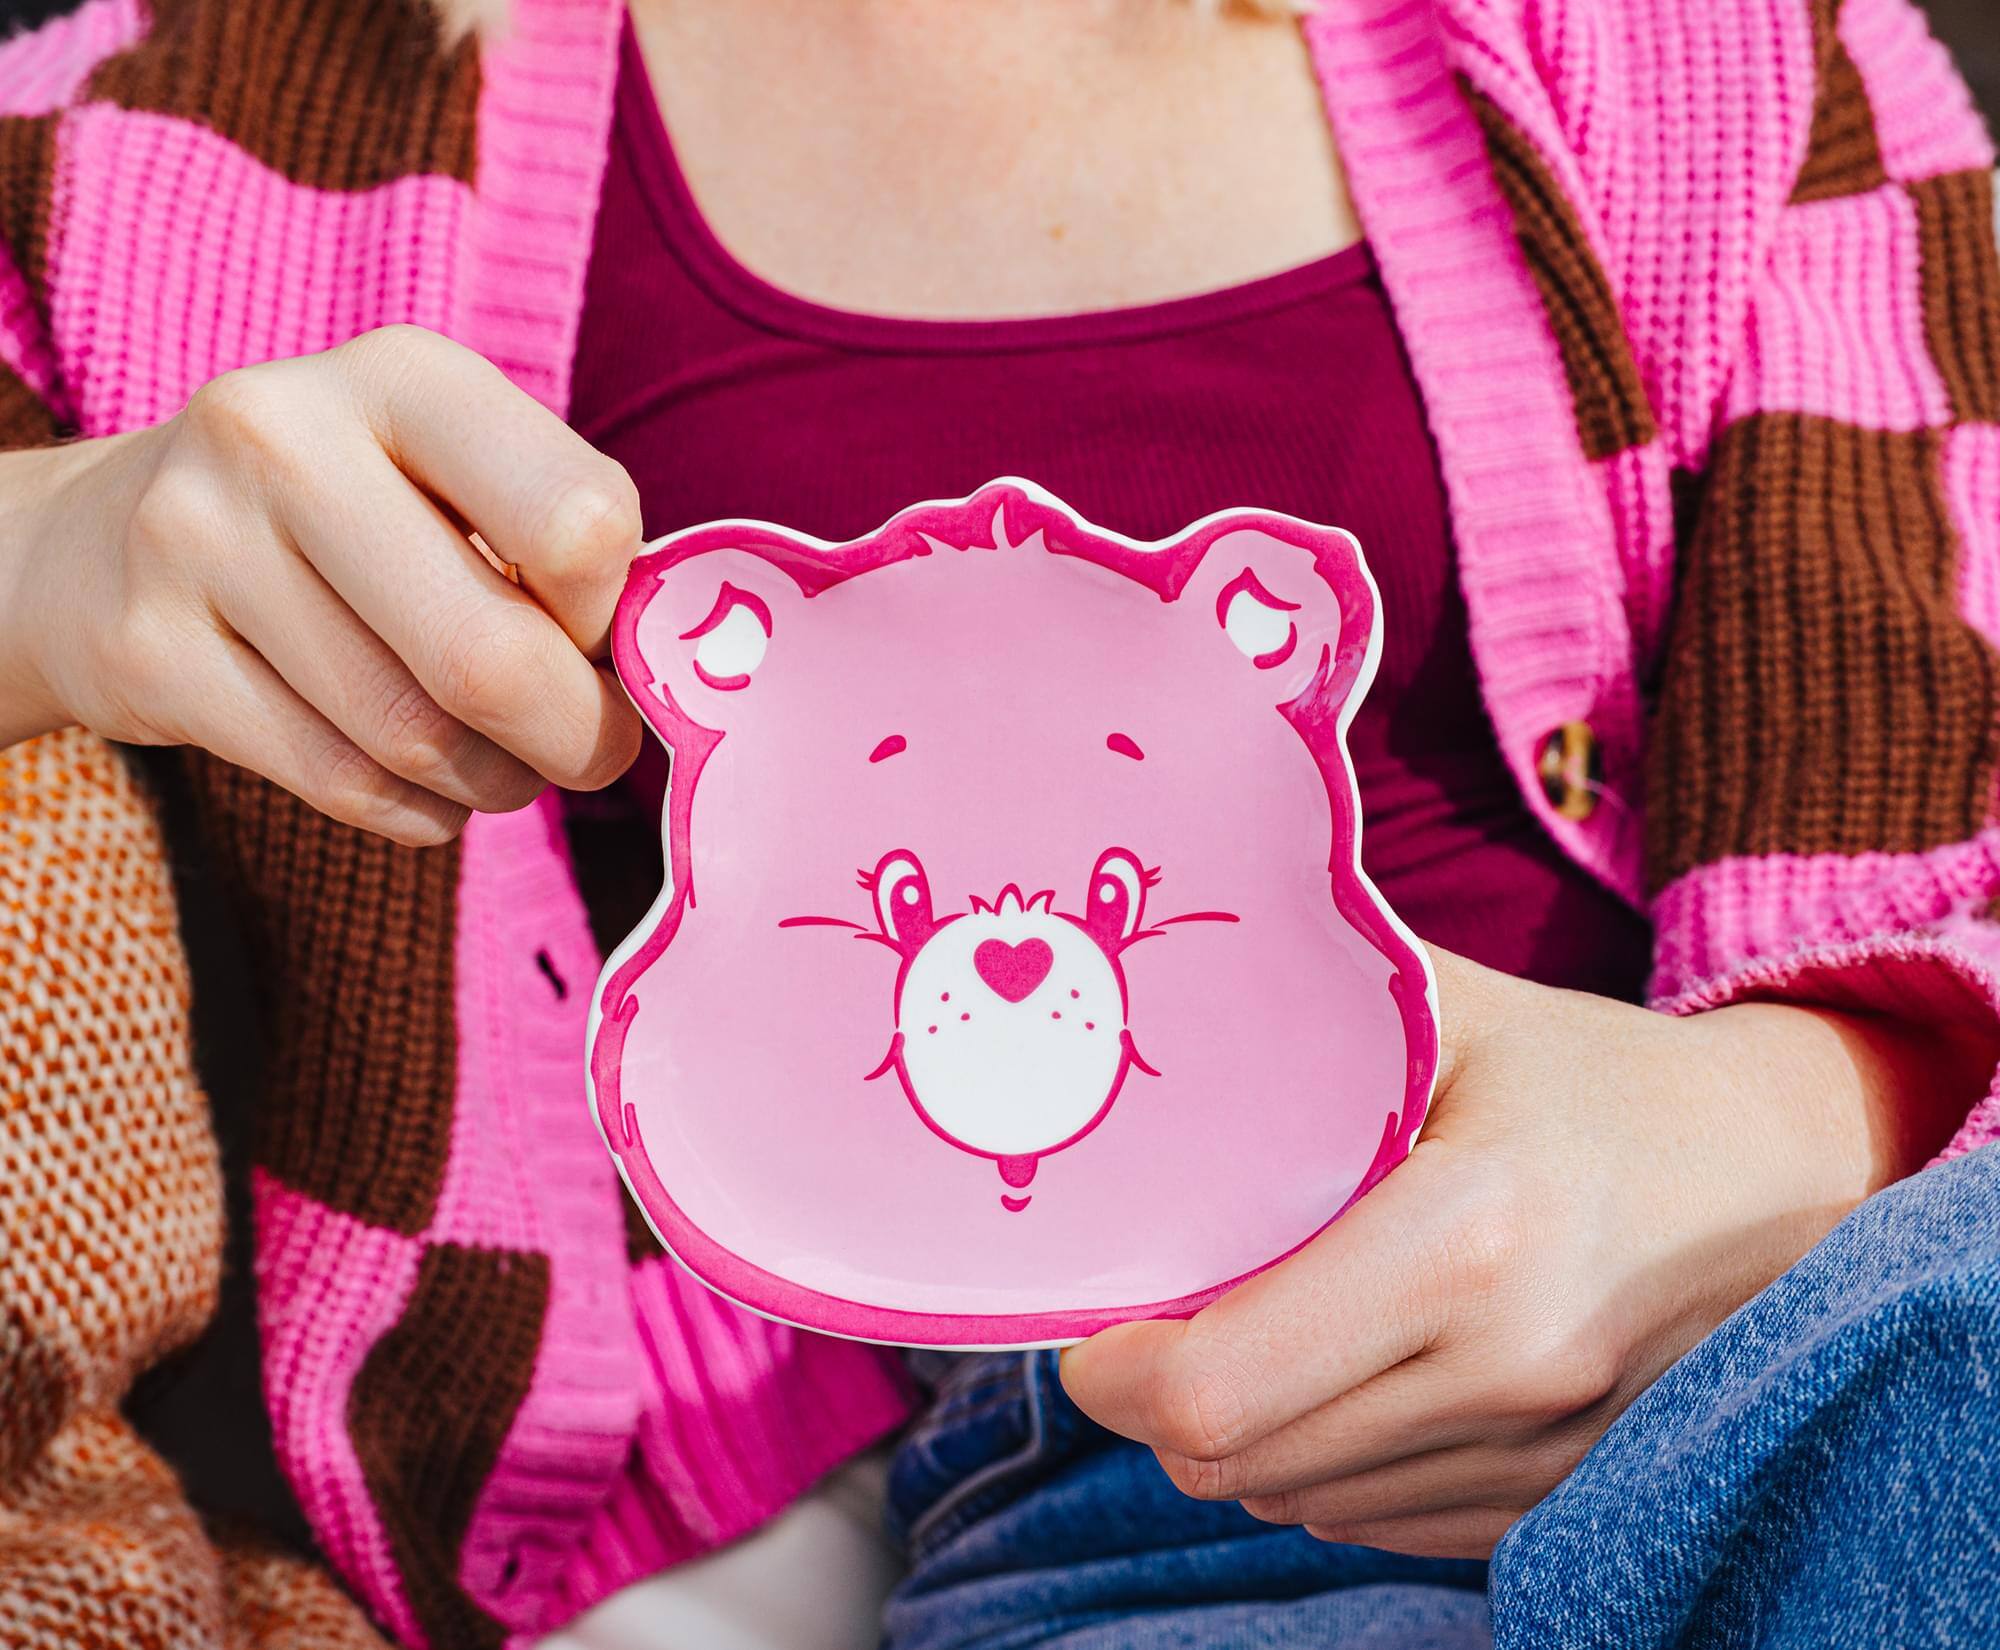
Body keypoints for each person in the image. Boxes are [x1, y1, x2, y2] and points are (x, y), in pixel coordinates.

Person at [0, 0, 1995, 1647]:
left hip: (1814, 1321)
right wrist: (48, 554)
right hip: (1091, 1499)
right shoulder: (171, 135)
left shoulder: (1724, 60)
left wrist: (1797, 1120)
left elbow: (1948, 796)